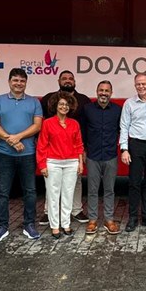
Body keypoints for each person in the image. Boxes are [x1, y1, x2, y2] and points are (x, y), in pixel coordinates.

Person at [0, 68, 43, 243]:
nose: (18, 83)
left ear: (26, 83)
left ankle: (29, 225)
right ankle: (1, 226)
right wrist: (10, 140)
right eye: (15, 80)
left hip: (27, 153)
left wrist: (17, 137)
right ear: (9, 82)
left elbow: (37, 126)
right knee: (2, 192)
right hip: (4, 154)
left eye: (22, 81)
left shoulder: (34, 102)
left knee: (30, 191)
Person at [41, 70, 91, 225]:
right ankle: (48, 212)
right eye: (64, 78)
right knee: (51, 184)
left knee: (75, 182)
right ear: (58, 81)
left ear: (74, 82)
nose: (67, 81)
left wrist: (84, 149)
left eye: (70, 78)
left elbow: (87, 126)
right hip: (53, 152)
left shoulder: (84, 100)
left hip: (74, 151)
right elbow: (41, 123)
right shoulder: (48, 99)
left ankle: (76, 210)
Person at [37, 92, 85, 239]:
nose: (64, 107)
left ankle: (66, 224)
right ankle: (54, 226)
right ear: (55, 106)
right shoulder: (47, 123)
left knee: (68, 194)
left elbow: (79, 145)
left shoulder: (74, 123)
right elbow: (42, 145)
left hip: (71, 163)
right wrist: (42, 165)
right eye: (61, 104)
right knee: (53, 195)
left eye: (67, 104)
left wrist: (80, 163)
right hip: (53, 163)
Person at [119, 72, 146, 231]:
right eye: (138, 84)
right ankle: (132, 218)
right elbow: (124, 126)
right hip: (136, 145)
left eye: (144, 83)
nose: (141, 86)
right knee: (134, 183)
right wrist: (124, 149)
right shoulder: (129, 103)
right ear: (135, 85)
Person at [83, 80, 122, 235]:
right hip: (92, 155)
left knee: (109, 190)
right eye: (101, 90)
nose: (103, 93)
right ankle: (92, 220)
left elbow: (121, 130)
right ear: (97, 91)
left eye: (107, 90)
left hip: (110, 155)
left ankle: (109, 220)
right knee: (92, 190)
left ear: (111, 93)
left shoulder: (117, 110)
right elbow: (83, 131)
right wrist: (83, 150)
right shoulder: (88, 109)